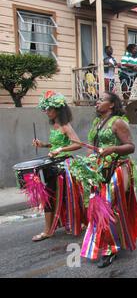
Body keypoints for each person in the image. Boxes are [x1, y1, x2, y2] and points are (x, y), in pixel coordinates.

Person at [80, 92, 137, 268]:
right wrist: (87, 164)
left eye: (101, 100)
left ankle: (110, 248)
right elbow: (92, 146)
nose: (97, 102)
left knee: (110, 207)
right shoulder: (97, 122)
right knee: (98, 206)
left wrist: (113, 148)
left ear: (111, 105)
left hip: (116, 170)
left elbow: (130, 147)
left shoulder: (118, 122)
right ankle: (105, 241)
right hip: (98, 170)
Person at [31, 91, 85, 242]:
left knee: (63, 197)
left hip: (63, 167)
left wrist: (61, 150)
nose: (47, 112)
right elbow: (56, 145)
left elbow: (78, 144)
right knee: (48, 197)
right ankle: (49, 229)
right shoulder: (54, 126)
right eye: (46, 109)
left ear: (58, 109)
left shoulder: (65, 126)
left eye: (49, 109)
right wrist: (43, 144)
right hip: (51, 165)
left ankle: (52, 229)